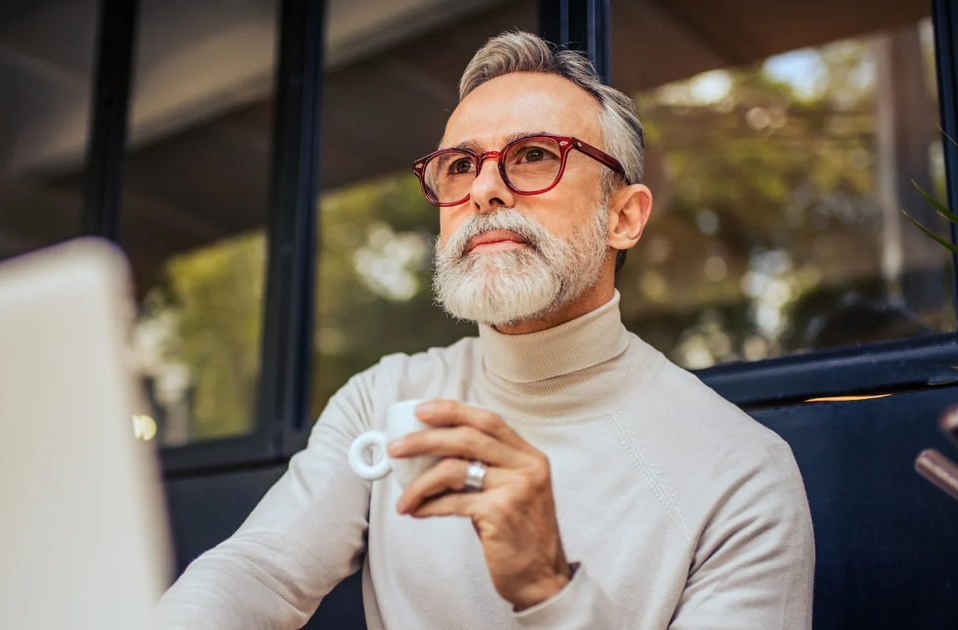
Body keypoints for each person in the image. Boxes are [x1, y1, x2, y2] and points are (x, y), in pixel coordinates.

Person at [154, 31, 814, 629]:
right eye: (461, 165)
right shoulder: (382, 401)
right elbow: (260, 572)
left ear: (624, 217)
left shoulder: (743, 478)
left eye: (534, 154)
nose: (484, 190)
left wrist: (549, 590)